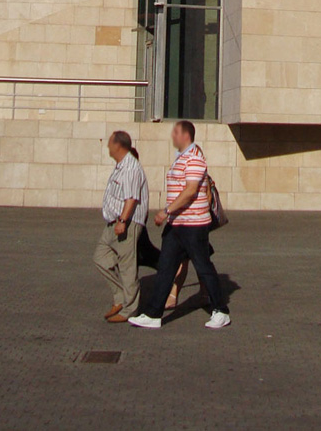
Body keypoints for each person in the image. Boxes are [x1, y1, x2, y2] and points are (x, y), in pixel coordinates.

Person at [128, 119, 230, 330]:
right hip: (176, 226)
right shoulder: (180, 158)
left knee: (203, 267)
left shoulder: (194, 159)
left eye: (176, 132)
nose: (173, 136)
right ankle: (154, 314)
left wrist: (167, 211)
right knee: (166, 268)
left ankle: (221, 310)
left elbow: (191, 190)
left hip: (193, 226)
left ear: (186, 135)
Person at [93, 130, 149, 323]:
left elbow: (132, 198)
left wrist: (123, 221)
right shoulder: (120, 167)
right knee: (100, 257)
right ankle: (120, 297)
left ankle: (129, 310)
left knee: (127, 267)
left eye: (110, 143)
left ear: (118, 146)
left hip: (126, 223)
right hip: (113, 222)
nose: (108, 146)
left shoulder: (131, 168)